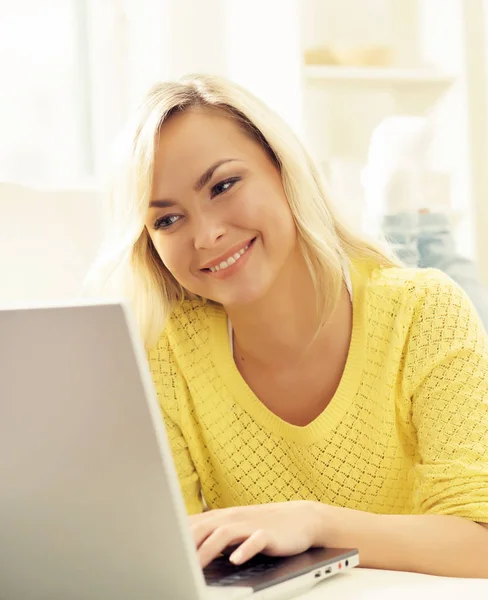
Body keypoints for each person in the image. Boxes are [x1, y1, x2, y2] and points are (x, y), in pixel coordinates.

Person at [88, 74, 488, 578]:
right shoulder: (165, 353)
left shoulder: (424, 310)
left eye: (223, 185)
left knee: (444, 267)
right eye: (167, 221)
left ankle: (406, 209)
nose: (207, 236)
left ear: (282, 169)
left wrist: (313, 522)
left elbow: (481, 542)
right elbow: (177, 557)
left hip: (402, 297)